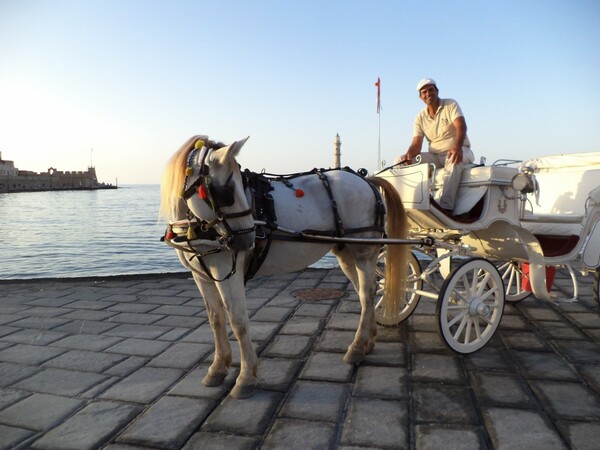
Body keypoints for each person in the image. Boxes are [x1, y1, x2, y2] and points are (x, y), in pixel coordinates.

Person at [395, 78, 474, 213]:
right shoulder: (419, 117)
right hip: (435, 156)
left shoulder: (450, 104)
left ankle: (446, 208)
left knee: (454, 159)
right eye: (424, 92)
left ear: (437, 91)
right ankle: (407, 204)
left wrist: (457, 147)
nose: (428, 94)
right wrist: (408, 156)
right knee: (398, 161)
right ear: (420, 97)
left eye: (431, 90)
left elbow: (461, 126)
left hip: (460, 150)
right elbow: (416, 144)